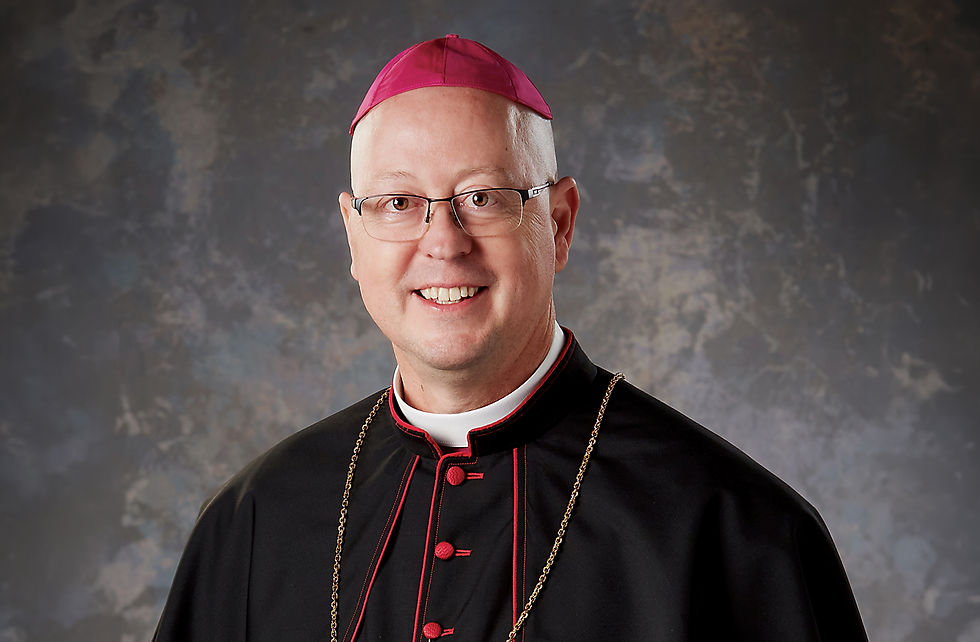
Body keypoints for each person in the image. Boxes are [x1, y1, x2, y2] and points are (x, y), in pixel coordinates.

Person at [153, 35, 868, 641]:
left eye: (484, 198)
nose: (444, 243)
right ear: (352, 234)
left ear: (559, 223)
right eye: (398, 202)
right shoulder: (253, 521)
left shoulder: (736, 532)